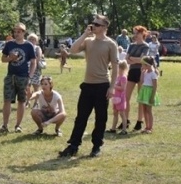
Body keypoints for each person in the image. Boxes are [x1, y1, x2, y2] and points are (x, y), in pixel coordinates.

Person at [59, 15, 118, 159]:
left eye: (97, 24)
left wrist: (112, 87)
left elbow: (115, 67)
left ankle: (96, 146)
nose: (94, 26)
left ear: (105, 27)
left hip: (102, 85)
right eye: (93, 24)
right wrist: (85, 33)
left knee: (101, 118)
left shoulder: (111, 44)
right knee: (81, 117)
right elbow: (72, 50)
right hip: (87, 85)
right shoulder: (88, 41)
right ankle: (73, 145)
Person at [0, 23, 37, 134]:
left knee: (21, 101)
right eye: (15, 31)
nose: (16, 33)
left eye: (19, 31)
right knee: (7, 100)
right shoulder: (9, 44)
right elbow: (3, 59)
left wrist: (30, 76)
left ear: (24, 32)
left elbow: (34, 62)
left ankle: (18, 126)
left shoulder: (28, 46)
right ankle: (4, 126)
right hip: (10, 76)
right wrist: (10, 58)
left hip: (23, 77)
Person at [123, 26, 149, 131]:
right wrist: (135, 60)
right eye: (134, 33)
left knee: (140, 98)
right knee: (126, 97)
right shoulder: (131, 45)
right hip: (132, 71)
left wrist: (133, 59)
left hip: (141, 72)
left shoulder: (145, 46)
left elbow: (142, 60)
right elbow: (126, 59)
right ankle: (126, 120)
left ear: (142, 34)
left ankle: (139, 121)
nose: (135, 35)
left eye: (137, 33)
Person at [137, 56, 160, 134]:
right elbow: (141, 81)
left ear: (147, 65)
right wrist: (142, 73)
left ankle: (150, 127)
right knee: (144, 109)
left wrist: (152, 96)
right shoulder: (145, 72)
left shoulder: (153, 74)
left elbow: (155, 86)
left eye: (143, 64)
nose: (142, 66)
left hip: (150, 92)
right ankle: (146, 126)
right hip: (144, 91)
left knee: (148, 110)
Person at [108, 60, 129, 135]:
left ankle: (124, 129)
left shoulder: (123, 78)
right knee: (115, 113)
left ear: (122, 68)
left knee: (122, 114)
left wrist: (114, 86)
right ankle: (113, 128)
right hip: (115, 98)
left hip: (120, 98)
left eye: (117, 68)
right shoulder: (117, 77)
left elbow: (123, 88)